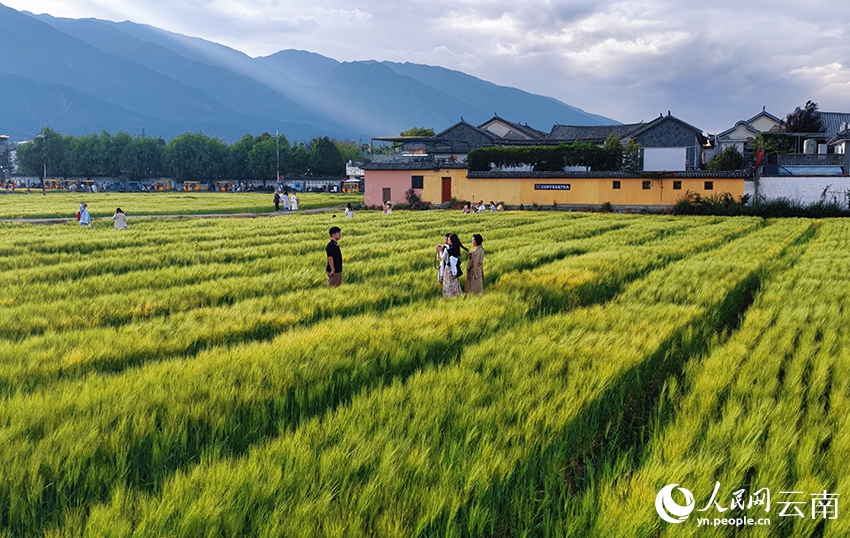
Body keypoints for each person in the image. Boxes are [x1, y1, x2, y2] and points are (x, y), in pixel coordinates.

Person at [437, 233, 467, 297]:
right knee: (455, 283)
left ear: (451, 241)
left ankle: (448, 296)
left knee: (448, 283)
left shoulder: (447, 249)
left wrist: (440, 251)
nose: (448, 241)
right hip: (455, 268)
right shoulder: (456, 248)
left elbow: (443, 258)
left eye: (449, 240)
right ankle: (457, 295)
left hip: (448, 269)